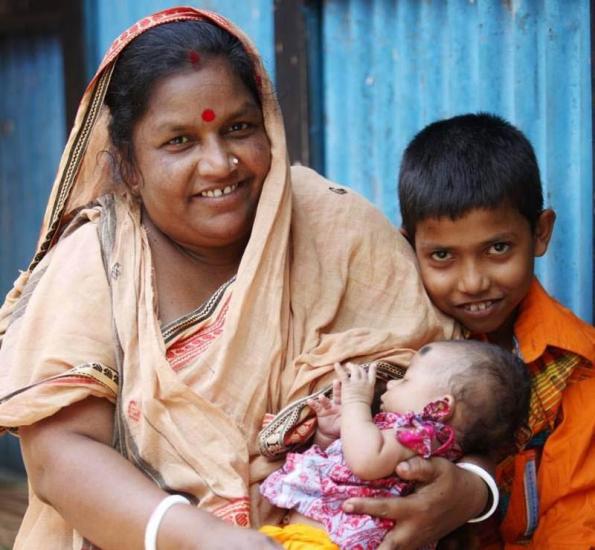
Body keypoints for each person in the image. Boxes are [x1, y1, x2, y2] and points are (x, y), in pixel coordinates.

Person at [0, 8, 490, 550]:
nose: (219, 164)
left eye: (238, 128)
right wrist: (208, 540)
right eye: (180, 141)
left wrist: (470, 490)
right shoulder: (97, 264)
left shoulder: (334, 224)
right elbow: (59, 455)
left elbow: (466, 389)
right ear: (128, 163)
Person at [397, 112, 595, 547]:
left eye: (498, 248)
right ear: (410, 247)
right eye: (443, 256)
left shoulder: (578, 369)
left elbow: (575, 528)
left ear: (540, 233)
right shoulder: (404, 342)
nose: (473, 282)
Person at [259, 340, 530, 549]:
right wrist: (331, 435)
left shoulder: (420, 434)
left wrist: (357, 403)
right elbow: (343, 466)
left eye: (406, 379)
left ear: (439, 406)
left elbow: (365, 462)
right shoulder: (413, 438)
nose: (390, 384)